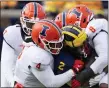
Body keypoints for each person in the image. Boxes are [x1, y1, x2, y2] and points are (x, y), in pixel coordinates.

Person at [14, 19, 76, 87]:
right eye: (52, 44)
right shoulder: (38, 56)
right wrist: (73, 71)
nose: (58, 47)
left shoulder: (33, 45)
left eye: (59, 43)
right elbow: (52, 84)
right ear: (40, 41)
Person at [1, 2, 46, 87]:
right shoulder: (12, 33)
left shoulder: (47, 34)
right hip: (14, 68)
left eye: (37, 25)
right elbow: (7, 62)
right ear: (22, 20)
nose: (34, 28)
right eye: (30, 24)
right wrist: (13, 82)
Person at [66, 5, 108, 88]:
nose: (74, 29)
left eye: (75, 26)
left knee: (103, 85)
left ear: (83, 20)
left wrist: (84, 75)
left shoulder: (95, 30)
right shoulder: (94, 26)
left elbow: (105, 57)